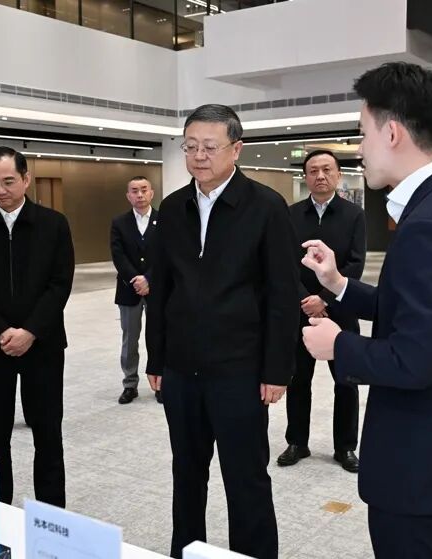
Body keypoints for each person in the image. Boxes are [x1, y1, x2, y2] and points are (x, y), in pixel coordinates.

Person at [300, 62, 432, 558]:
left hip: (425, 466)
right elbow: (418, 312)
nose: (359, 148)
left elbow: (415, 360)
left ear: (392, 132)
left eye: (362, 133)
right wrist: (339, 284)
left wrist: (338, 345)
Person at [145, 104, 300, 559]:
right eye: (190, 146)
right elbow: (161, 289)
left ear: (236, 148)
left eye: (209, 147)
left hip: (240, 371)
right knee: (186, 474)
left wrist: (277, 370)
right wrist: (157, 357)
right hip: (182, 370)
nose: (198, 156)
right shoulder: (173, 208)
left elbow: (282, 296)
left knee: (245, 478)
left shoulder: (266, 207)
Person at [0, 146, 73, 508]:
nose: (0, 190)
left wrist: (30, 331)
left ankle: (51, 514)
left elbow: (60, 284)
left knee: (48, 434)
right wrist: (0, 331)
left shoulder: (53, 224)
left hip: (43, 344)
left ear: (25, 179)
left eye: (8, 181)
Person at [277, 149, 366, 473]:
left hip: (341, 310)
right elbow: (285, 264)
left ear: (338, 174)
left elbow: (355, 264)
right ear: (306, 176)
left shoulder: (354, 215)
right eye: (313, 170)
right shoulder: (291, 214)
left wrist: (325, 299)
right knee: (298, 379)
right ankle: (297, 442)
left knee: (346, 381)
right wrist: (307, 300)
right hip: (300, 311)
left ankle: (345, 447)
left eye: (327, 169)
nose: (320, 176)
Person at [110, 176, 159, 405]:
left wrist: (149, 278)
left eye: (144, 190)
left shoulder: (164, 220)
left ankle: (160, 382)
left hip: (157, 289)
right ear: (128, 195)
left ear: (151, 193)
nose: (139, 195)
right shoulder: (119, 222)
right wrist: (136, 279)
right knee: (130, 339)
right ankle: (130, 384)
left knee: (158, 336)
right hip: (128, 290)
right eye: (134, 191)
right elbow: (118, 255)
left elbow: (167, 254)